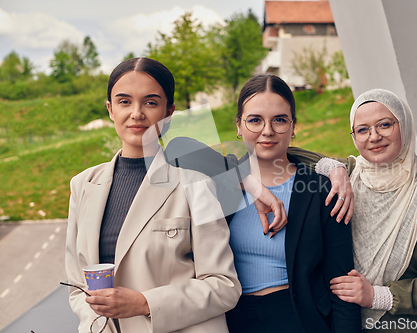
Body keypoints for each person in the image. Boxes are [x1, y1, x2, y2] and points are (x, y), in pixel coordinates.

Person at [64, 57, 242, 333]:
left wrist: (145, 303)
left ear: (169, 113)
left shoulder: (195, 186)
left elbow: (224, 286)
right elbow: (78, 286)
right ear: (110, 110)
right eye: (124, 102)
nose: (136, 113)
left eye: (150, 102)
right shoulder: (83, 185)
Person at [223, 74, 361, 332]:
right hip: (230, 320)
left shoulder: (323, 189)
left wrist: (333, 167)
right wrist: (249, 183)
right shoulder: (220, 185)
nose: (267, 131)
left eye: (280, 120)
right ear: (238, 126)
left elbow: (342, 284)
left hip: (297, 319)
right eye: (255, 120)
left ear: (294, 126)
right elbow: (176, 146)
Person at [324, 89, 417, 332]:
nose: (374, 136)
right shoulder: (348, 174)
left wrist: (377, 296)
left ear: (404, 126)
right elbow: (288, 155)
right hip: (349, 324)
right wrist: (332, 167)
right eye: (362, 129)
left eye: (384, 125)